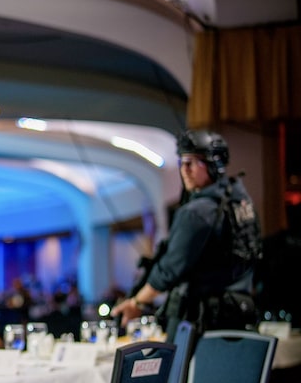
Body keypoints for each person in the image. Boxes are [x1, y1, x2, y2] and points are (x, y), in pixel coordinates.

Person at [111, 129, 262, 342]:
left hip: (200, 323)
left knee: (177, 375)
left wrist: (137, 302)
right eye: (182, 162)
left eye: (192, 162)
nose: (184, 170)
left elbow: (170, 270)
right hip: (239, 315)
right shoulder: (241, 202)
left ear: (214, 164)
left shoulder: (197, 212)